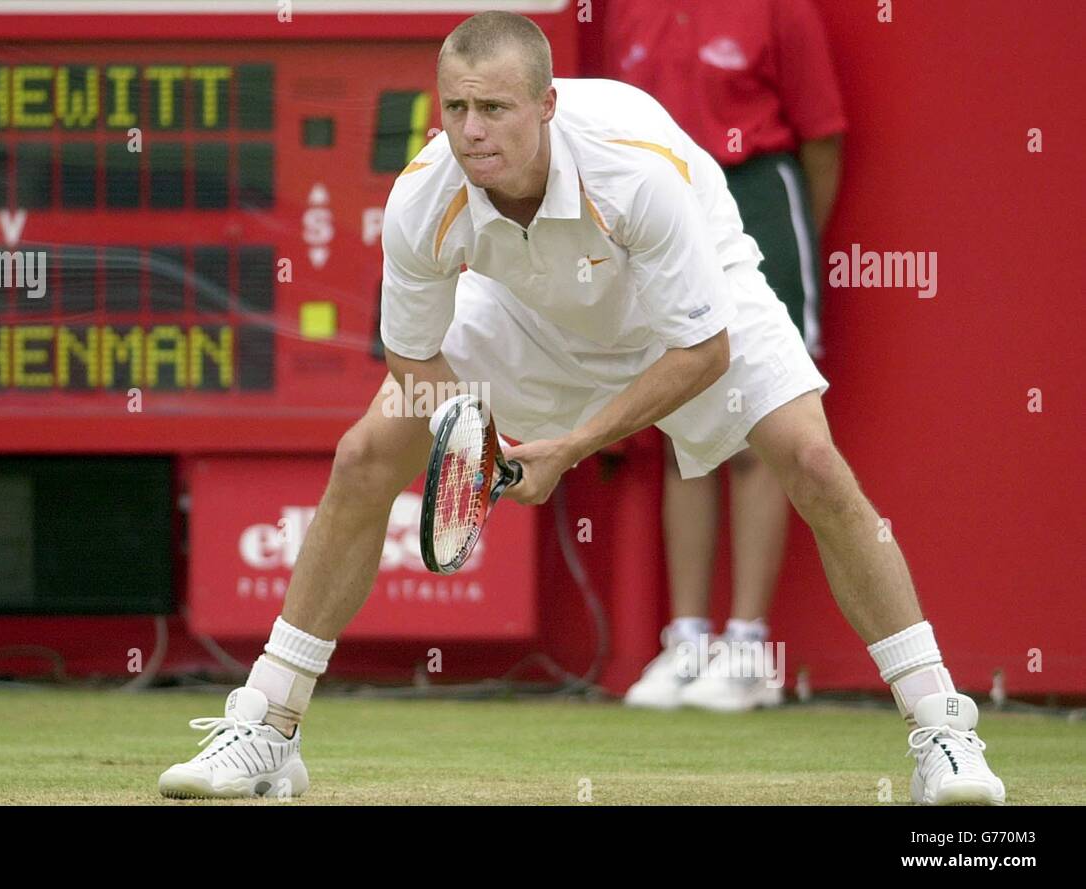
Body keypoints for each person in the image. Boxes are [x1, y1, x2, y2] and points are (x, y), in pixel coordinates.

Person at [157, 11, 1005, 806]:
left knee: (814, 464)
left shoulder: (633, 170)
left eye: (493, 107)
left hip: (690, 302)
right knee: (363, 455)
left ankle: (942, 732)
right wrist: (473, 442)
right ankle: (269, 726)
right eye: (455, 106)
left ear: (546, 105)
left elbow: (702, 352)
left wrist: (567, 446)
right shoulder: (422, 197)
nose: (471, 128)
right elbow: (415, 357)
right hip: (523, 311)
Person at [605, 0, 847, 712]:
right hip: (662, 213)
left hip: (758, 198)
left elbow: (824, 140)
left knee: (761, 425)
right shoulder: (627, 11)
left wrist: (787, 243)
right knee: (685, 431)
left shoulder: (780, 8)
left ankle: (747, 647)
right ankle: (686, 641)